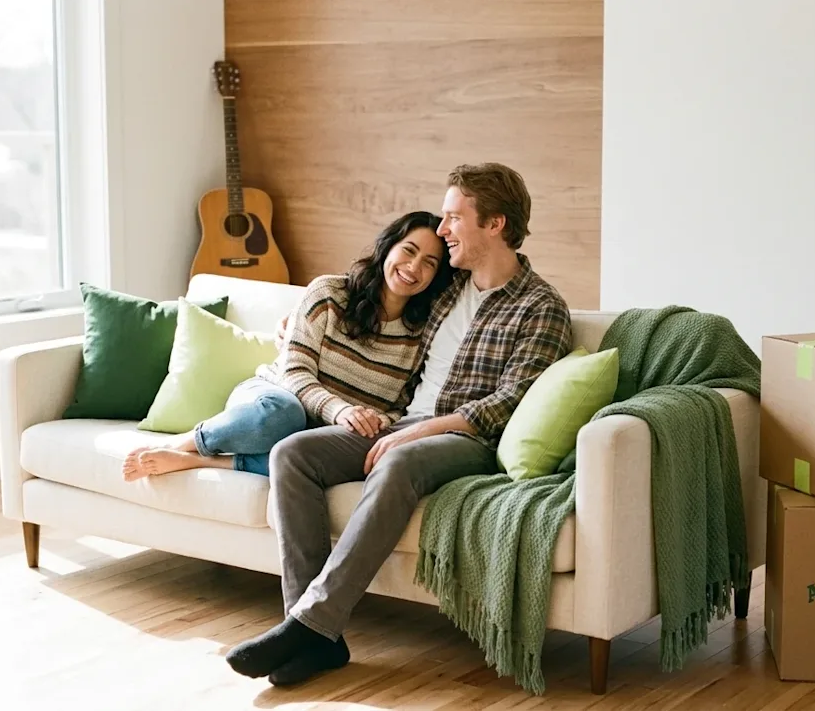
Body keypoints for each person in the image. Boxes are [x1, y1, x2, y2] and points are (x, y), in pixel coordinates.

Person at [224, 162, 574, 686]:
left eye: (454, 218)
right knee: (292, 453)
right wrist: (294, 324)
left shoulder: (540, 306)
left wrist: (419, 431)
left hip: (467, 440)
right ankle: (313, 634)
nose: (443, 229)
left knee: (399, 460)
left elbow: (510, 401)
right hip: (400, 424)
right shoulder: (446, 288)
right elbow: (375, 293)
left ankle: (311, 624)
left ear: (495, 224)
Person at [121, 211, 455, 482]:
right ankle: (185, 442)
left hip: (332, 429)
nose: (414, 267)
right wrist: (340, 410)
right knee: (283, 415)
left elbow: (405, 404)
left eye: (430, 262)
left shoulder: (426, 333)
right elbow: (294, 372)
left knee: (344, 459)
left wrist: (377, 421)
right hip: (273, 398)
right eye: (409, 250)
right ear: (388, 247)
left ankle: (199, 461)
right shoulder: (330, 293)